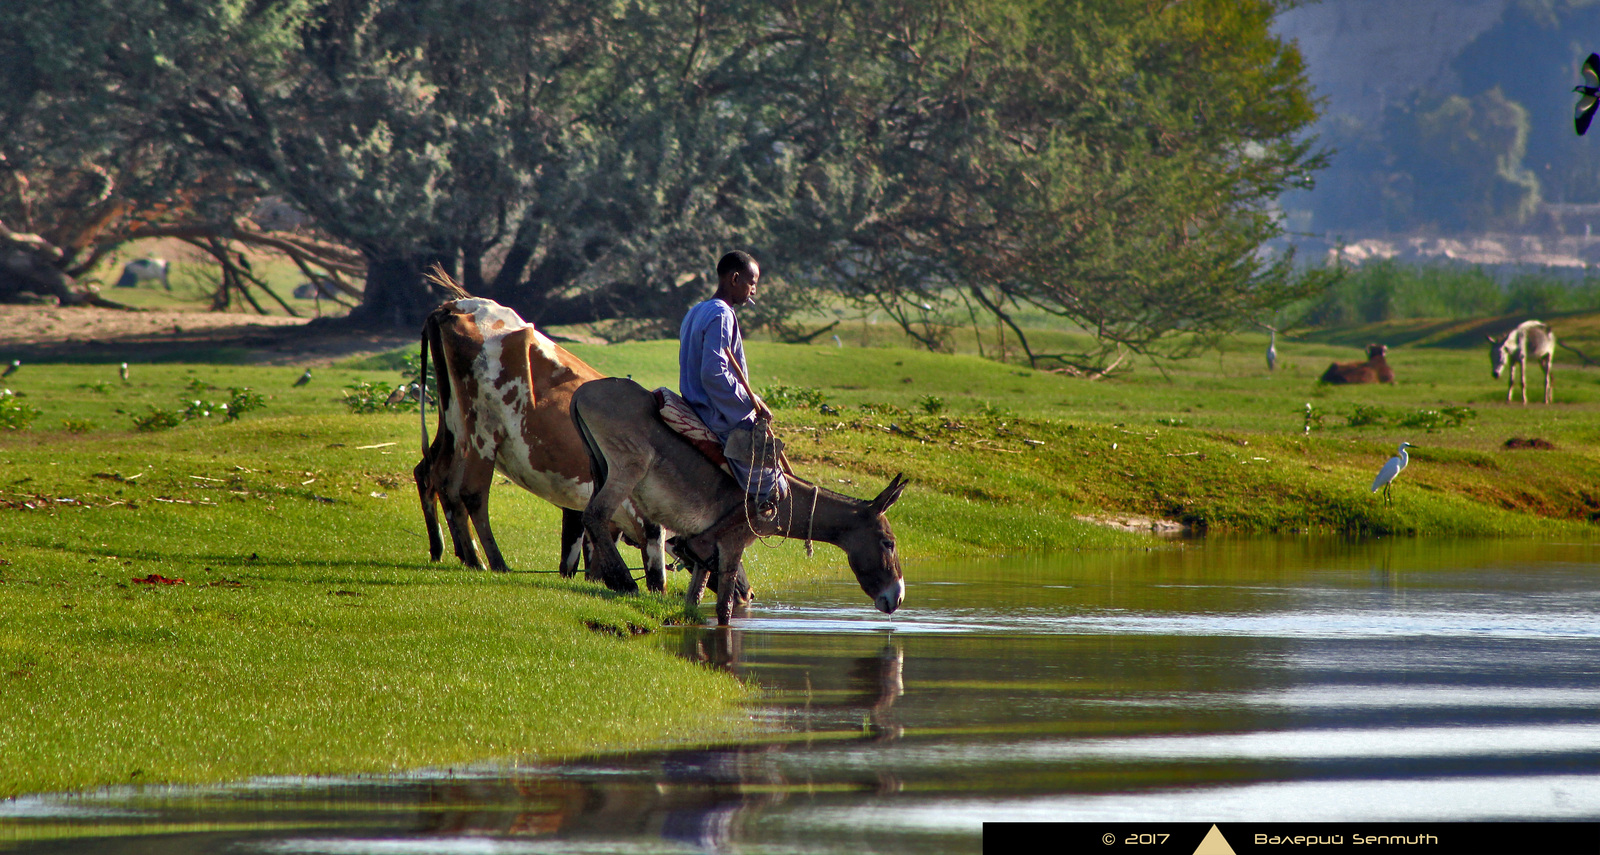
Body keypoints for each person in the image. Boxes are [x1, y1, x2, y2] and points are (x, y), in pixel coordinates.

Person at [679, 251, 786, 513]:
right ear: (735, 278)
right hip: (717, 415)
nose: (754, 291)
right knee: (774, 488)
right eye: (752, 283)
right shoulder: (722, 315)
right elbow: (714, 374)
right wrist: (751, 404)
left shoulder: (696, 311)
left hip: (695, 404)